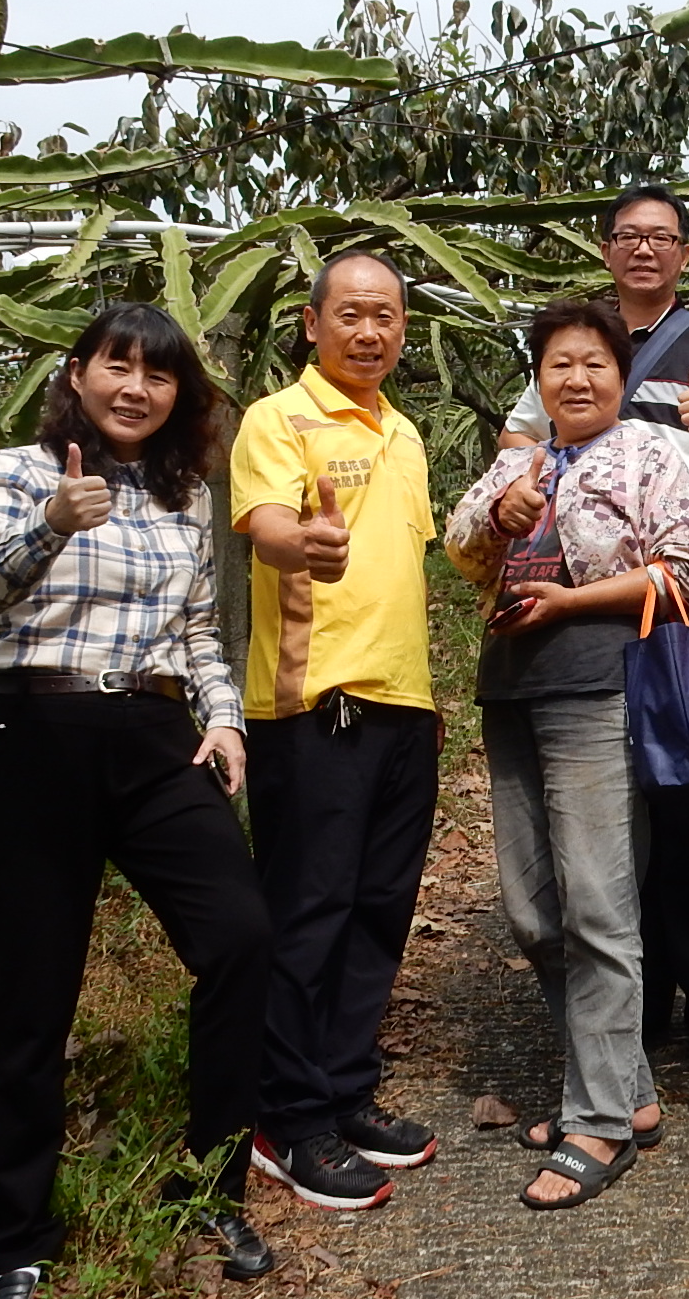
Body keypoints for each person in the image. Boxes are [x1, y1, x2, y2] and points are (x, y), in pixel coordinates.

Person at [0, 303, 275, 1299]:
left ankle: (211, 1186)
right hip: (32, 734)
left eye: (159, 375)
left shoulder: (184, 497)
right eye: (118, 367)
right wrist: (51, 525)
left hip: (150, 738)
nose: (136, 388)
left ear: (179, 396)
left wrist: (222, 720)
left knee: (239, 936)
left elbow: (196, 636)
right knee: (32, 994)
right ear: (79, 373)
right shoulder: (20, 469)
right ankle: (18, 1240)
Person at [497, 182, 689, 1088]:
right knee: (614, 813)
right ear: (607, 247)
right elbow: (517, 440)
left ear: (685, 253)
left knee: (686, 790)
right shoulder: (575, 345)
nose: (644, 249)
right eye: (628, 235)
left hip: (677, 598)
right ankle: (641, 996)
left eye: (662, 237)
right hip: (575, 618)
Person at [445, 299, 689, 1209]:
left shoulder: (647, 452)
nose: (578, 379)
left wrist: (569, 602)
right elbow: (460, 551)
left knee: (599, 903)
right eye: (559, 364)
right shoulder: (518, 462)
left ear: (620, 374)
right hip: (511, 688)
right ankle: (627, 1090)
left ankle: (595, 1123)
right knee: (531, 909)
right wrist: (501, 515)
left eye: (595, 363)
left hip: (600, 684)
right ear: (540, 379)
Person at [230, 250, 442, 1211]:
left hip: (405, 707)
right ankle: (286, 1120)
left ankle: (345, 1090)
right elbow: (268, 522)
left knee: (376, 912)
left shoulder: (404, 432)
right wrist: (298, 541)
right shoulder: (279, 418)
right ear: (312, 324)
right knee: (307, 915)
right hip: (315, 706)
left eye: (387, 316)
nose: (370, 331)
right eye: (351, 314)